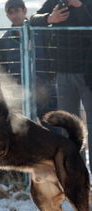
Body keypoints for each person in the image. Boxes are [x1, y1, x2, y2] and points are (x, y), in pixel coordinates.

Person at [30, 0, 92, 173]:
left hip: (88, 74)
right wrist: (50, 18)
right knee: (69, 127)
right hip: (63, 73)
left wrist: (79, 7)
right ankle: (76, 175)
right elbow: (32, 20)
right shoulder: (56, 1)